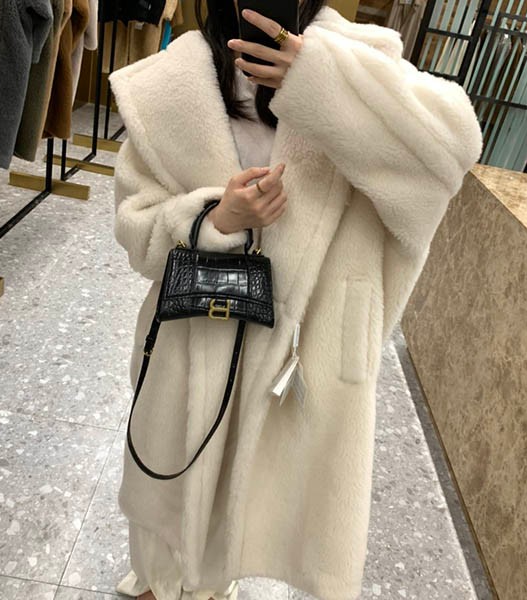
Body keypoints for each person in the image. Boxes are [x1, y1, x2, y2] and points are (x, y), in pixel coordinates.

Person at [110, 1, 483, 599]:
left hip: (305, 344)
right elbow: (135, 228)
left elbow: (450, 155)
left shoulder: (360, 61)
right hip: (194, 328)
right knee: (172, 484)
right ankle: (161, 579)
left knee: (253, 492)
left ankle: (211, 584)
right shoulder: (170, 83)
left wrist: (323, 82)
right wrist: (215, 218)